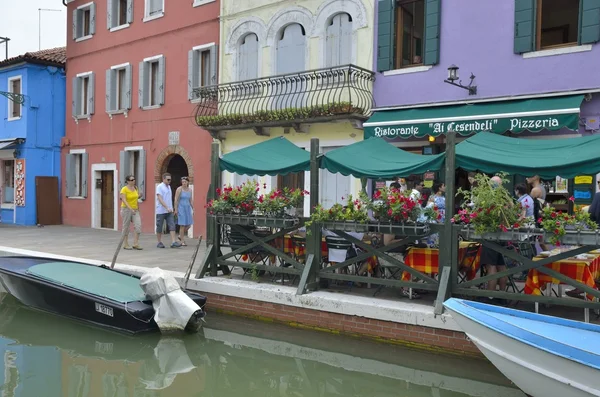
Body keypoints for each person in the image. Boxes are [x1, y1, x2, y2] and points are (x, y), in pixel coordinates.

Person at [155, 172, 181, 248]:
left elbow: (169, 199)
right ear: (163, 179)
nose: (169, 181)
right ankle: (159, 242)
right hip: (161, 210)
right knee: (159, 226)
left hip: (169, 210)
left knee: (172, 225)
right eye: (168, 179)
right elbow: (160, 198)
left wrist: (172, 208)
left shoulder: (169, 187)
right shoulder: (160, 187)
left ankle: (173, 242)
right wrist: (166, 207)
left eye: (170, 180)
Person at [119, 175, 142, 250]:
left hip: (135, 209)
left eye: (134, 179)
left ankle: (135, 243)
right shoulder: (124, 189)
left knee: (138, 226)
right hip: (126, 209)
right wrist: (130, 209)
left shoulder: (135, 188)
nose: (133, 181)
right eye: (132, 180)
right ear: (128, 181)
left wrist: (139, 196)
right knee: (126, 227)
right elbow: (124, 200)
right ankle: (125, 244)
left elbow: (135, 197)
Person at [174, 176, 194, 246]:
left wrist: (193, 208)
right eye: (182, 182)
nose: (184, 183)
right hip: (181, 208)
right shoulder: (179, 189)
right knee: (182, 225)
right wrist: (176, 209)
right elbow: (176, 199)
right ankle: (182, 241)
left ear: (188, 182)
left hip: (187, 208)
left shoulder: (190, 190)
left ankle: (180, 235)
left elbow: (190, 200)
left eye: (185, 182)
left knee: (188, 225)